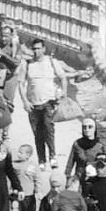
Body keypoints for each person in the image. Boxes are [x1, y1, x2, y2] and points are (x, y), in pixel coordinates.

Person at [18, 38, 68, 168]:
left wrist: (63, 93)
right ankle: (41, 160)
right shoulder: (27, 64)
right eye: (34, 49)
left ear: (44, 49)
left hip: (48, 102)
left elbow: (63, 77)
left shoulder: (51, 62)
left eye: (39, 48)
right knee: (37, 132)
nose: (36, 51)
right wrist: (25, 101)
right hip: (33, 104)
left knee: (48, 129)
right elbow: (21, 83)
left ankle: (52, 156)